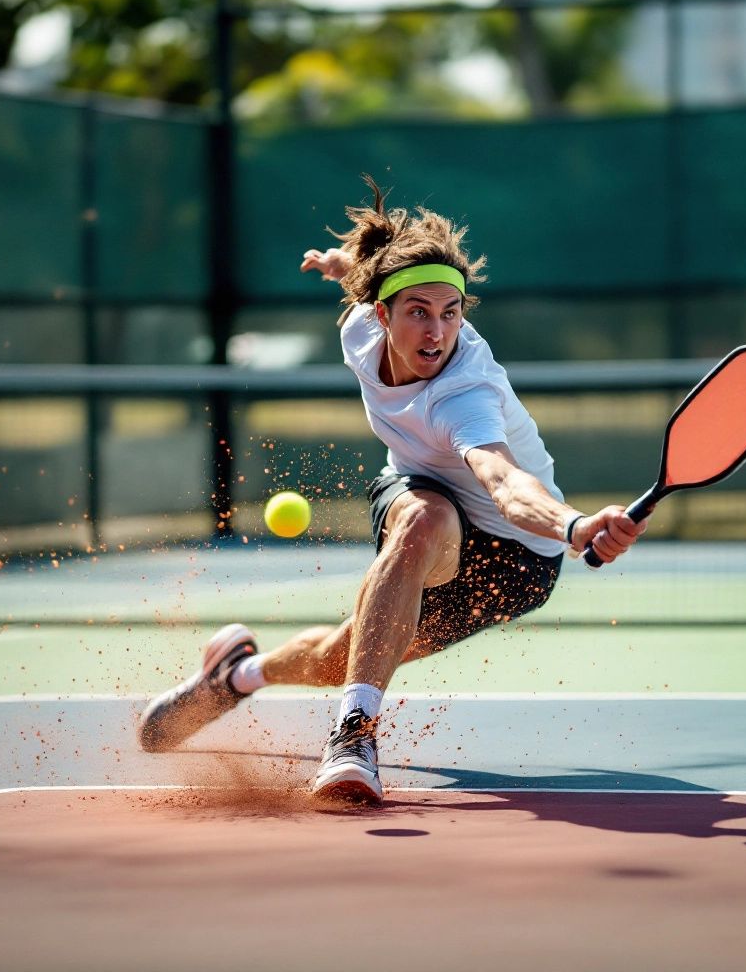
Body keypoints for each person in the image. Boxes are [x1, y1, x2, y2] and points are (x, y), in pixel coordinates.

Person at [137, 176, 647, 806]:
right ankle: (355, 737)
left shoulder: (466, 395)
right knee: (423, 521)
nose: (437, 332)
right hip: (423, 494)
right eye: (419, 313)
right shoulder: (359, 331)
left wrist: (573, 526)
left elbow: (504, 481)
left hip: (519, 560)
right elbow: (368, 277)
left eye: (451, 313)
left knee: (336, 660)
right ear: (381, 314)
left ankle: (237, 673)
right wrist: (342, 263)